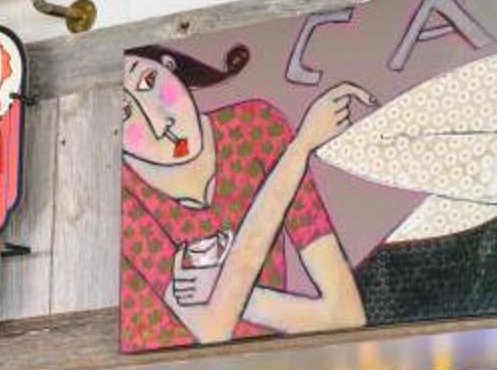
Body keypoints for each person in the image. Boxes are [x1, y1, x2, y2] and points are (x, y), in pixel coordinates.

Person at [118, 42, 375, 351]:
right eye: (124, 113)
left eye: (148, 81)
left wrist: (224, 289)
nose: (161, 124)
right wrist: (298, 151)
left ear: (169, 66)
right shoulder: (121, 198)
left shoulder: (254, 127)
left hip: (276, 366)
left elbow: (346, 313)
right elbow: (214, 329)